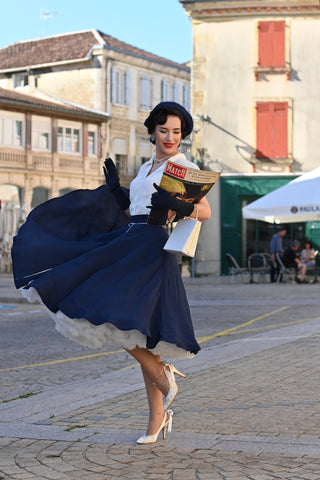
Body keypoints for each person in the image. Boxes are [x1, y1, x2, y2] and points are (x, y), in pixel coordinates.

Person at [11, 101, 211, 445]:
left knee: (117, 317)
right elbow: (135, 206)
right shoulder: (148, 166)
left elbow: (203, 210)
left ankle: (162, 375)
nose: (170, 137)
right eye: (164, 130)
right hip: (128, 240)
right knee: (134, 327)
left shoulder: (182, 166)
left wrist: (181, 206)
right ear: (152, 131)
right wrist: (119, 191)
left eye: (177, 132)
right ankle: (157, 415)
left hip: (151, 248)